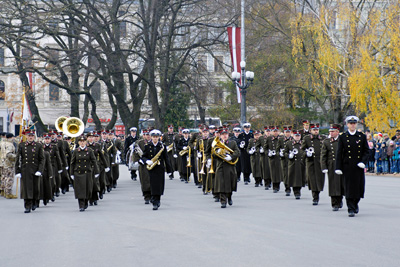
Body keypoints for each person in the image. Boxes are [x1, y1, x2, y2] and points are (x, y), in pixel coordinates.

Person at [335, 116, 369, 217]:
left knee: (359, 187)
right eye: (351, 123)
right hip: (347, 166)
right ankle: (350, 207)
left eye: (354, 123)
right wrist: (338, 167)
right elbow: (339, 153)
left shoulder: (361, 136)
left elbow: (366, 151)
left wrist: (363, 162)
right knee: (349, 187)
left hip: (358, 166)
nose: (353, 125)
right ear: (347, 124)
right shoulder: (343, 137)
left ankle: (355, 203)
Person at [15, 130, 45, 213]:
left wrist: (40, 170)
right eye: (29, 135)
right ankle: (27, 205)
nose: (30, 137)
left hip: (35, 169)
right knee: (26, 189)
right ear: (26, 136)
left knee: (35, 188)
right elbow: (18, 159)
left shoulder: (38, 146)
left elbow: (42, 159)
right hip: (25, 170)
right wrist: (17, 171)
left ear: (34, 136)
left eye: (32, 135)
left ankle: (35, 201)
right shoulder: (22, 145)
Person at [142, 130, 172, 210]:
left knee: (159, 185)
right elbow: (143, 156)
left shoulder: (162, 146)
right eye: (154, 137)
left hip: (159, 168)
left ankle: (157, 200)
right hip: (151, 168)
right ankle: (153, 199)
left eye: (156, 137)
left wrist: (169, 170)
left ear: (159, 137)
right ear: (151, 137)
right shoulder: (147, 146)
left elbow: (166, 158)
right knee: (152, 184)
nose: (155, 138)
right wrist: (146, 161)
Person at [70, 135, 99, 212]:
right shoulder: (76, 151)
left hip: (87, 173)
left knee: (88, 189)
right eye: (81, 142)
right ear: (79, 142)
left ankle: (86, 201)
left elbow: (94, 161)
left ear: (86, 142)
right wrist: (72, 173)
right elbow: (72, 163)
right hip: (78, 173)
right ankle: (81, 205)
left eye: (83, 141)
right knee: (80, 190)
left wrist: (96, 171)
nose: (82, 143)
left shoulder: (89, 150)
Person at [213, 128, 240, 208]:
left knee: (230, 183)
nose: (225, 136)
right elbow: (213, 155)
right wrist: (217, 153)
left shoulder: (233, 143)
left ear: (228, 135)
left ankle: (229, 196)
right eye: (223, 134)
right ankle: (223, 201)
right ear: (220, 136)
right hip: (220, 166)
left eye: (226, 134)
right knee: (221, 184)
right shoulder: (217, 144)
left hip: (230, 166)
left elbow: (238, 152)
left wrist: (231, 157)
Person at [321, 124, 344, 211]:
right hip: (331, 165)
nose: (331, 133)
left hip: (340, 165)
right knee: (333, 184)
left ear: (337, 132)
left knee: (341, 184)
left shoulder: (342, 140)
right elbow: (323, 155)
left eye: (333, 131)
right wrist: (324, 167)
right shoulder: (326, 141)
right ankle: (334, 203)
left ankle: (340, 199)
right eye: (330, 131)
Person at [302, 123, 325, 205]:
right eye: (314, 130)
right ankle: (315, 197)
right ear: (310, 131)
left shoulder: (323, 138)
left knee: (319, 180)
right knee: (312, 180)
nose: (316, 131)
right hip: (311, 162)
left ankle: (317, 193)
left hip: (320, 162)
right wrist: (306, 153)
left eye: (317, 130)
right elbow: (302, 150)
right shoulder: (307, 138)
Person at [284, 130, 305, 199]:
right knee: (293, 178)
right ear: (293, 136)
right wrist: (289, 155)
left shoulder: (303, 143)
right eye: (296, 136)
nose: (297, 137)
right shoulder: (289, 143)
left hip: (301, 163)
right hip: (292, 163)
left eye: (298, 136)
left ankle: (298, 190)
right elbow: (285, 152)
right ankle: (296, 192)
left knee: (300, 178)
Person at [133, 130, 152, 204]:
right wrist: (138, 160)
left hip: (152, 163)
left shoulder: (153, 142)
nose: (147, 136)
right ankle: (146, 196)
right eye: (146, 134)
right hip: (143, 165)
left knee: (152, 180)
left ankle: (153, 195)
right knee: (144, 180)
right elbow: (136, 152)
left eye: (149, 135)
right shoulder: (139, 143)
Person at [264, 126, 283, 192]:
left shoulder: (281, 138)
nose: (275, 133)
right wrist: (268, 153)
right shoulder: (269, 138)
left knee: (279, 172)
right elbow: (265, 148)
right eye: (274, 131)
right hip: (272, 157)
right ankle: (274, 186)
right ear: (272, 132)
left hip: (279, 157)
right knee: (273, 172)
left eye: (276, 131)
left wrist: (282, 152)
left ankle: (278, 184)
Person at [0, 133, 17, 199]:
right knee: (9, 178)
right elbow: (9, 154)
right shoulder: (9, 145)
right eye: (13, 137)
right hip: (9, 163)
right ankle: (8, 193)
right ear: (10, 137)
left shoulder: (2, 143)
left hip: (2, 162)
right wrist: (16, 157)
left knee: (4, 177)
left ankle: (3, 190)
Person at [278, 126, 293, 195]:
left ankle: (294, 188)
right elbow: (277, 149)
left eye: (288, 132)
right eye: (286, 132)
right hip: (284, 159)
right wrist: (280, 153)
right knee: (285, 174)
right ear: (284, 133)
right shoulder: (281, 140)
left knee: (292, 174)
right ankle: (287, 188)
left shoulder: (293, 139)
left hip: (292, 159)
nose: (287, 134)